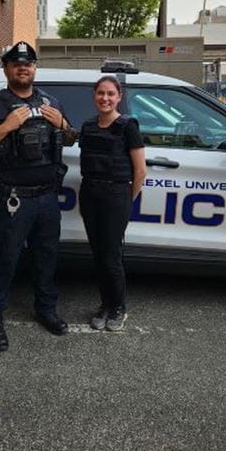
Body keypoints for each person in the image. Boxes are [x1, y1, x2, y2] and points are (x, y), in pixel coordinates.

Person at [0, 42, 76, 352]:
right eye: (16, 63)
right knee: (4, 258)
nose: (22, 67)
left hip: (47, 198)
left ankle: (46, 309)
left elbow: (70, 138)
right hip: (12, 200)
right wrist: (7, 125)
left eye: (28, 63)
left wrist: (64, 125)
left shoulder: (51, 101)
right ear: (6, 69)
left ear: (35, 68)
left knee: (46, 257)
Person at [77, 76, 146, 332]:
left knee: (111, 255)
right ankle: (105, 305)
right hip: (90, 193)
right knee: (98, 254)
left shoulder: (128, 126)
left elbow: (140, 171)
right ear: (94, 95)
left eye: (110, 94)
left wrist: (127, 199)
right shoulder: (88, 126)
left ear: (118, 97)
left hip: (116, 196)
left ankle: (118, 307)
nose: (105, 98)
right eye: (100, 93)